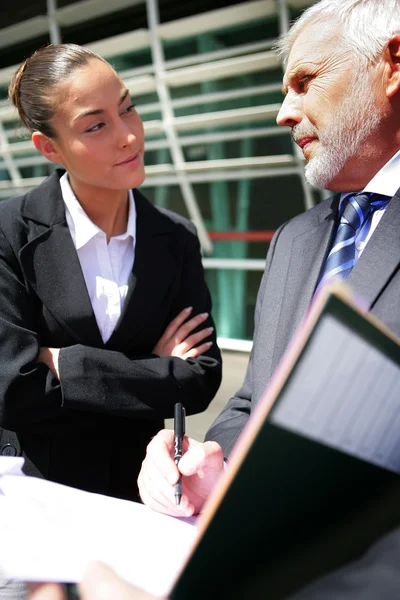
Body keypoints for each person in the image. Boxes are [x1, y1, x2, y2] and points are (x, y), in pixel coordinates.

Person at [137, 0, 400, 595]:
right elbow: (253, 401)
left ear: (393, 63)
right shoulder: (294, 240)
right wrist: (212, 468)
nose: (284, 113)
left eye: (306, 82)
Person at [0, 43, 222, 504]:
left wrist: (62, 363)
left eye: (128, 109)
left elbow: (200, 378)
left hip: (142, 497)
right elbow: (12, 386)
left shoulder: (174, 237)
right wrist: (155, 371)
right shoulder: (8, 234)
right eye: (97, 125)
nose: (129, 136)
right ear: (49, 147)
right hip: (34, 499)